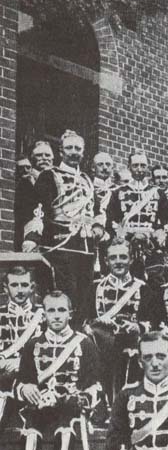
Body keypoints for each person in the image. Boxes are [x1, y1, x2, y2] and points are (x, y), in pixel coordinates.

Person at [22, 130, 102, 324]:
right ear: (61, 151)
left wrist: (99, 225)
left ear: (83, 153)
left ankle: (79, 332)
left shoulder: (87, 180)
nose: (74, 152)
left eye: (78, 149)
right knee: (65, 294)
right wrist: (32, 238)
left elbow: (97, 210)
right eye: (69, 148)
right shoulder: (49, 176)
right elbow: (39, 209)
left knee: (84, 295)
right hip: (60, 246)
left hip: (86, 247)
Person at [16, 291, 100, 450]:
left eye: (61, 310)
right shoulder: (32, 344)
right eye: (51, 310)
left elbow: (95, 385)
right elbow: (22, 380)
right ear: (44, 314)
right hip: (40, 405)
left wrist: (79, 398)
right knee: (31, 433)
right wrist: (25, 388)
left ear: (70, 314)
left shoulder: (85, 344)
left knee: (66, 431)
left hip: (70, 406)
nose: (56, 316)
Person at [90, 238, 162, 400]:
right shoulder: (95, 288)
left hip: (133, 349)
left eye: (123, 257)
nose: (118, 262)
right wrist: (98, 324)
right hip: (102, 351)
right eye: (113, 258)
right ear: (106, 261)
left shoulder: (143, 289)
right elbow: (83, 321)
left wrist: (139, 327)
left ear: (131, 259)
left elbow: (155, 322)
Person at [0, 267, 43, 426]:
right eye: (14, 285)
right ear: (6, 288)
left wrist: (21, 363)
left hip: (35, 378)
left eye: (24, 285)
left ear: (32, 287)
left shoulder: (44, 315)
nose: (19, 290)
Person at [106, 152, 168, 247]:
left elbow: (166, 221)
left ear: (147, 167)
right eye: (135, 165)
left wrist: (155, 236)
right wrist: (122, 237)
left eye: (143, 166)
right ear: (129, 167)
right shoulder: (118, 192)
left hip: (151, 243)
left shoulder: (158, 193)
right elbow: (111, 220)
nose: (139, 169)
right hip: (125, 243)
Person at [14, 142, 55, 251]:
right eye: (39, 155)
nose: (44, 158)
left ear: (53, 158)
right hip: (28, 236)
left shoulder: (57, 180)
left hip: (52, 236)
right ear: (31, 158)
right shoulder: (25, 182)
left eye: (47, 155)